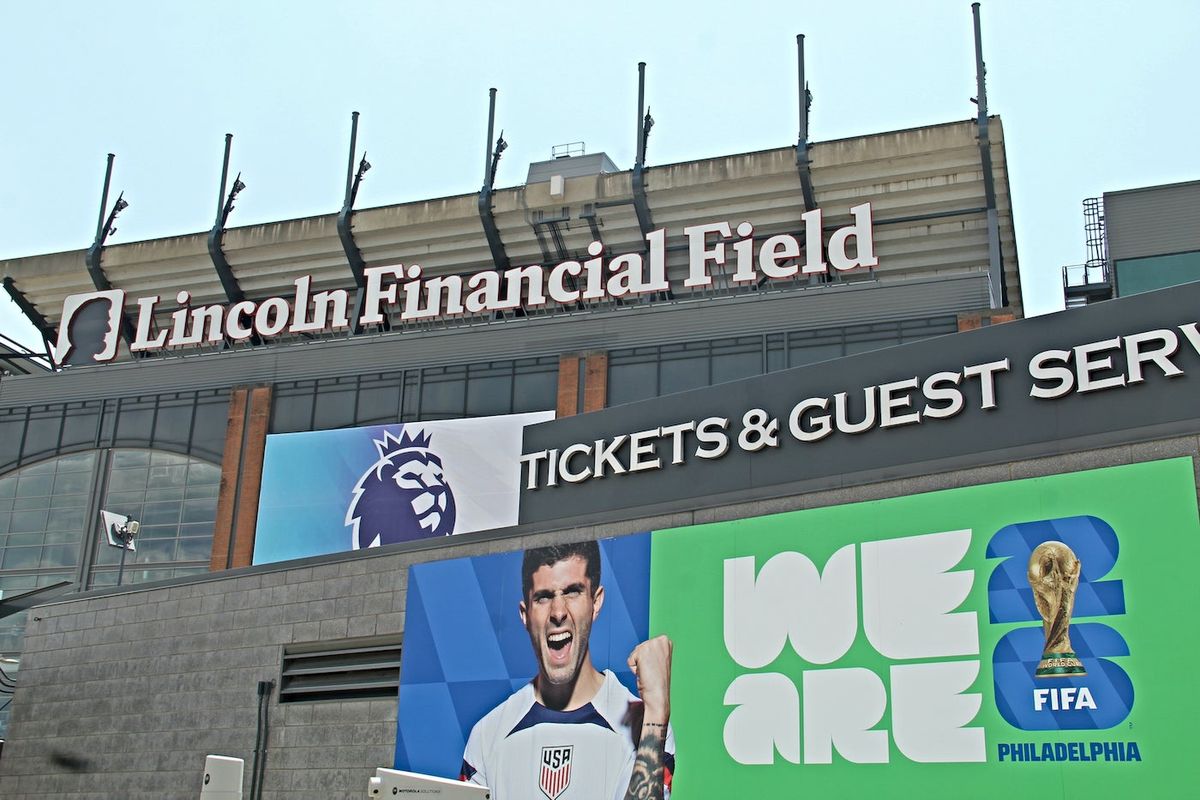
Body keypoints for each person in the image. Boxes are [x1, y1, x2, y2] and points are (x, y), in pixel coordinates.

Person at [460, 540, 675, 800]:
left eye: (572, 592)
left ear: (595, 602)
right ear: (525, 615)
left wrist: (656, 712)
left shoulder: (646, 723)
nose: (558, 612)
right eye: (543, 597)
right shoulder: (487, 734)